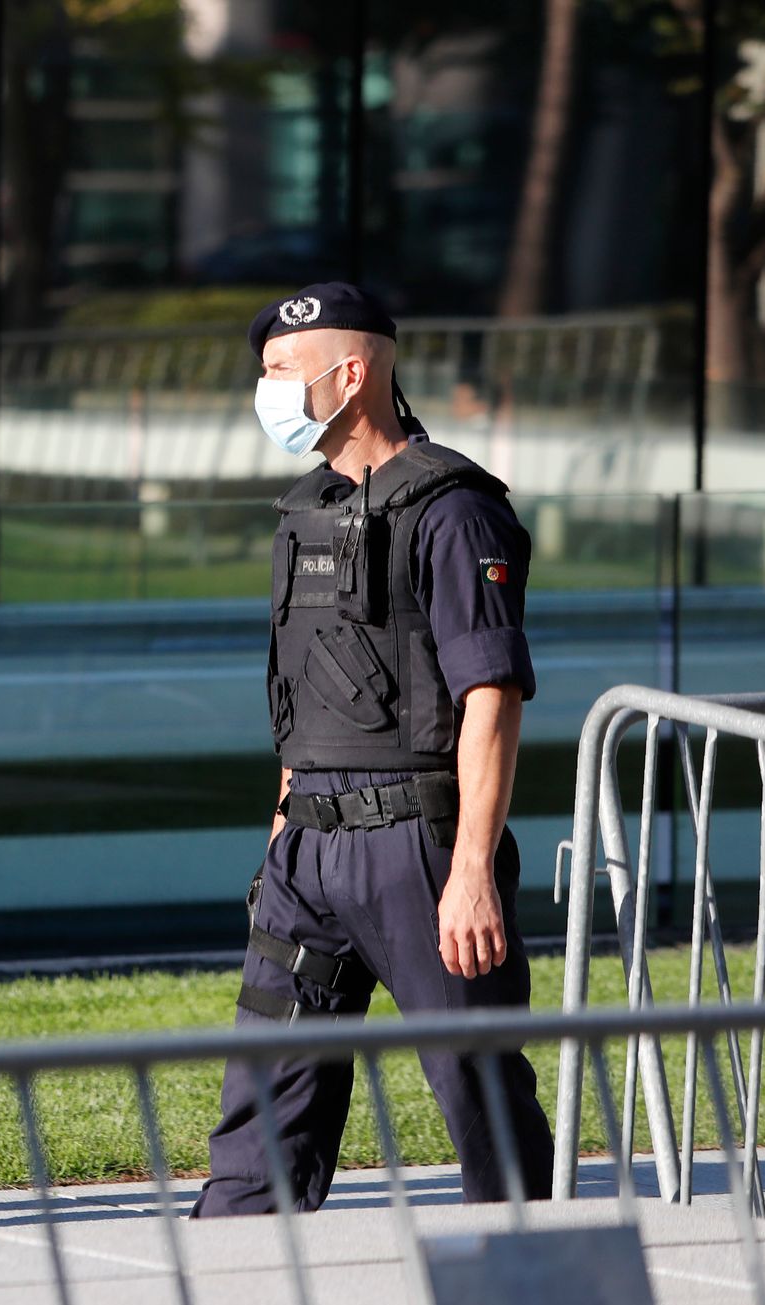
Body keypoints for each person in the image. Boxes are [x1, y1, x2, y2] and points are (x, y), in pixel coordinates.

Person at [192, 282, 555, 1216]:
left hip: (419, 849)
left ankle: (536, 1300)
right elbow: (301, 697)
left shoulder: (453, 509)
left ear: (349, 376)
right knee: (261, 1111)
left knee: (480, 1101)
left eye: (280, 373)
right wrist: (280, 837)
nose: (265, 391)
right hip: (307, 848)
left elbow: (492, 696)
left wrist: (472, 867)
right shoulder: (303, 510)